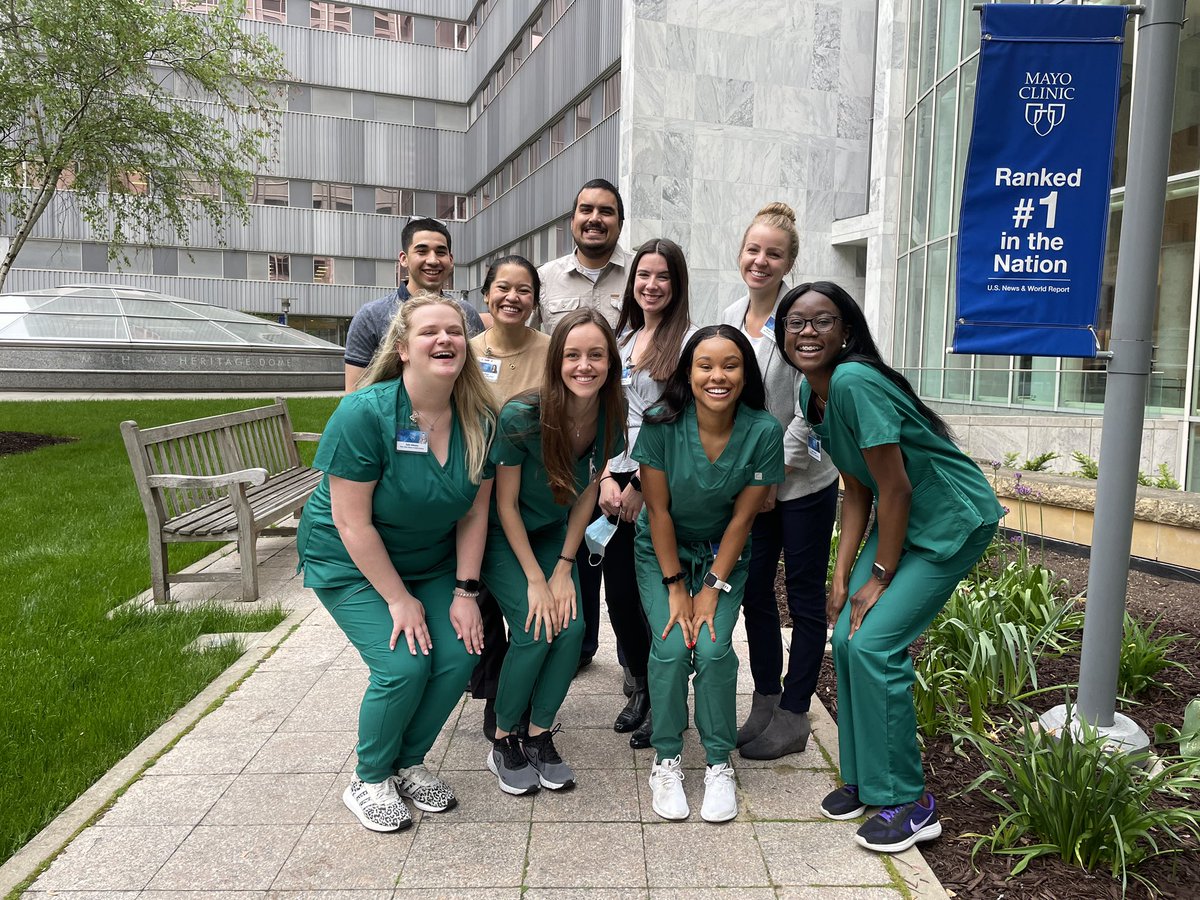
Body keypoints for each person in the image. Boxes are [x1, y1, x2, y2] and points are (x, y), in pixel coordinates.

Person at [775, 281, 1003, 853]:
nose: (807, 332)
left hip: (949, 519)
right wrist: (840, 573)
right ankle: (866, 781)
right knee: (849, 639)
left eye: (822, 321)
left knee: (875, 644)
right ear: (781, 335)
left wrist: (877, 576)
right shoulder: (813, 393)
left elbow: (895, 489)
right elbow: (856, 485)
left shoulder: (853, 382)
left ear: (846, 330)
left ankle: (911, 802)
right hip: (903, 521)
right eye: (795, 322)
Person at [296, 293, 496, 832]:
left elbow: (474, 516)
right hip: (351, 562)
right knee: (404, 664)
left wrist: (464, 593)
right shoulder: (364, 413)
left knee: (457, 656)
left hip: (429, 562)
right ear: (403, 348)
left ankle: (406, 761)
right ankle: (368, 777)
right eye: (430, 331)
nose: (445, 339)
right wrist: (398, 600)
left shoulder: (479, 419)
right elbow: (351, 523)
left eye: (455, 331)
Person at [634, 325, 784, 823]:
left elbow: (744, 518)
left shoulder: (763, 431)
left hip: (724, 555)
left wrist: (712, 588)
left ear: (746, 374)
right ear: (688, 372)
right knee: (674, 645)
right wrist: (679, 588)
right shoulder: (660, 423)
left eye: (731, 365)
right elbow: (657, 514)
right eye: (705, 365)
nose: (717, 376)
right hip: (663, 552)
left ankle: (719, 761)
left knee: (716, 648)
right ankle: (668, 757)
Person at [483, 308, 627, 794]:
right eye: (572, 355)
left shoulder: (612, 413)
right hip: (505, 534)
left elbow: (587, 492)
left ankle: (539, 734)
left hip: (551, 533)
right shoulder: (522, 415)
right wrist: (536, 580)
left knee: (573, 630)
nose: (584, 365)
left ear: (611, 362)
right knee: (533, 626)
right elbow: (503, 505)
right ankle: (503, 739)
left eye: (596, 355)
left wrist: (564, 567)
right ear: (556, 361)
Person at [719, 203, 839, 760]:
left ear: (790, 261)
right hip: (750, 482)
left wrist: (772, 474)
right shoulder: (728, 314)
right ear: (740, 253)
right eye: (753, 250)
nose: (760, 261)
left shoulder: (799, 318)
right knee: (754, 591)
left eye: (773, 253)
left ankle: (794, 713)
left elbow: (807, 408)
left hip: (803, 481)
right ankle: (765, 700)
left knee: (805, 598)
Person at [600, 238, 696, 749]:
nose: (651, 285)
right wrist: (605, 477)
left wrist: (639, 481)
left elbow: (682, 420)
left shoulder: (687, 342)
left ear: (676, 284)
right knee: (619, 596)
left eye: (662, 276)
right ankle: (637, 684)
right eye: (643, 276)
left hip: (659, 485)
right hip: (612, 481)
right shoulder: (623, 337)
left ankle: (667, 697)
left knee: (654, 596)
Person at [538, 178, 631, 672]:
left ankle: (628, 661)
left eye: (607, 211)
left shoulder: (640, 276)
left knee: (613, 557)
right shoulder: (545, 279)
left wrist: (616, 469)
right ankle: (577, 645)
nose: (595, 219)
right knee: (571, 539)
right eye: (586, 210)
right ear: (572, 219)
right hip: (559, 437)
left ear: (619, 220)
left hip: (616, 432)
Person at [467, 255, 552, 740]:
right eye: (503, 287)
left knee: (530, 606)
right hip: (476, 495)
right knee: (483, 601)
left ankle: (523, 694)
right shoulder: (466, 350)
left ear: (536, 300)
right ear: (486, 294)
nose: (512, 297)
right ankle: (496, 692)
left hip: (534, 496)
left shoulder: (551, 351)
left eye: (523, 289)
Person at [344, 217, 488, 391]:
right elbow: (353, 394)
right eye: (422, 251)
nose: (433, 260)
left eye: (441, 252)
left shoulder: (466, 314)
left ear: (451, 260)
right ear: (403, 259)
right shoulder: (371, 316)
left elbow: (477, 381)